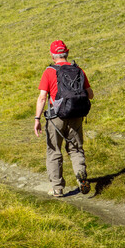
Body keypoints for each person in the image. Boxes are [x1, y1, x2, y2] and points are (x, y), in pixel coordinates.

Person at [34, 40, 93, 196]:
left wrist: (37, 119)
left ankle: (57, 188)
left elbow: (42, 98)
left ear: (53, 56)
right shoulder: (78, 70)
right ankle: (81, 178)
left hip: (56, 117)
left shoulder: (49, 72)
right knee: (75, 149)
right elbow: (91, 94)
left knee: (54, 151)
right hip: (76, 115)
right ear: (67, 53)